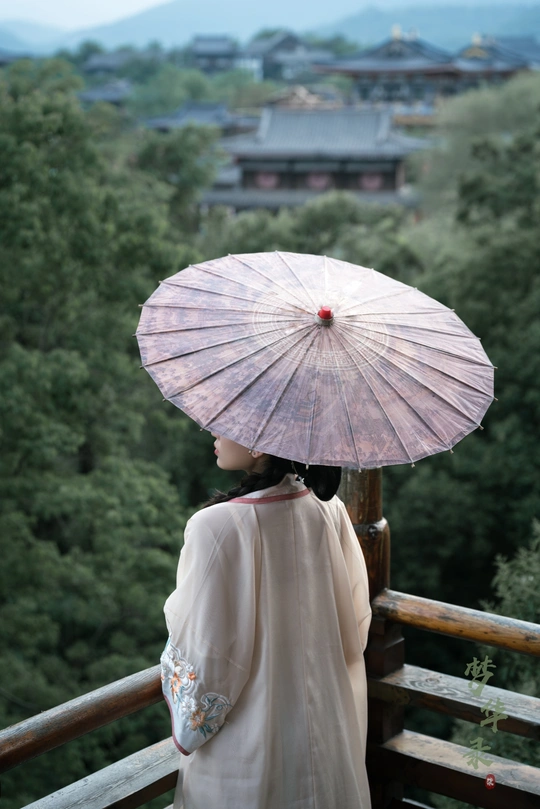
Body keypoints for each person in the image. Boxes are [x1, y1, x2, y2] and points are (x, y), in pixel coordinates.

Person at [161, 433, 372, 809]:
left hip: (249, 749)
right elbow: (355, 626)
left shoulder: (215, 526)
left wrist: (191, 723)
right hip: (326, 736)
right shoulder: (329, 510)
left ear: (259, 442)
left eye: (224, 424)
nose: (213, 432)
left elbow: (205, 659)